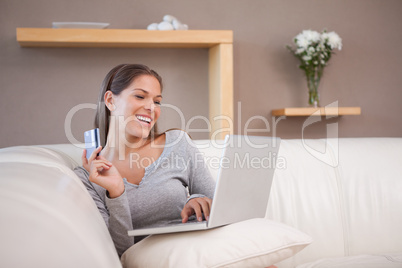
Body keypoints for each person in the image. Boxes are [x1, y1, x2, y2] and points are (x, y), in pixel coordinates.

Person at [74, 64, 215, 256]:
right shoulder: (88, 177)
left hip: (201, 251)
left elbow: (223, 211)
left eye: (157, 101)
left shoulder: (178, 144)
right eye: (140, 96)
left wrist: (197, 199)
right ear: (110, 100)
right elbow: (118, 252)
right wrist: (116, 192)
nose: (151, 108)